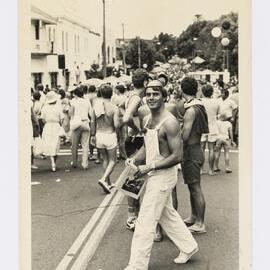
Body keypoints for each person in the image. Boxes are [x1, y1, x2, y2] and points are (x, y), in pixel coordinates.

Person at [124, 80, 198, 270]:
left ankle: (136, 266)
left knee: (145, 221)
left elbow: (177, 156)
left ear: (164, 97)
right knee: (167, 214)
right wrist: (135, 159)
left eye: (155, 94)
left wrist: (150, 166)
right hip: (153, 172)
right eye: (148, 94)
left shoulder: (170, 123)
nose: (151, 98)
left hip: (164, 175)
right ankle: (189, 247)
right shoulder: (147, 119)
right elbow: (147, 145)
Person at [120, 68, 149, 230]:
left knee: (135, 178)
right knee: (134, 179)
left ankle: (134, 215)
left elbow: (120, 109)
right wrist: (137, 128)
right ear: (145, 82)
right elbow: (126, 117)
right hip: (136, 140)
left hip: (132, 140)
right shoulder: (137, 97)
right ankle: (132, 217)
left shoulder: (131, 95)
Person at [180, 77, 209, 234]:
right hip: (195, 149)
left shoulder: (191, 110)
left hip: (191, 151)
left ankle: (200, 223)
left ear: (181, 89)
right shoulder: (198, 105)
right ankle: (193, 217)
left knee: (195, 188)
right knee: (192, 187)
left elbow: (184, 136)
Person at [92, 84, 120, 193]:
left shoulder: (96, 106)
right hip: (110, 134)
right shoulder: (114, 108)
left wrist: (93, 135)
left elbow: (93, 121)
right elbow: (117, 125)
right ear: (111, 94)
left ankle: (108, 183)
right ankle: (104, 179)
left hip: (99, 135)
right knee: (113, 160)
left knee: (105, 159)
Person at [70, 86, 95, 170]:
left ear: (75, 94)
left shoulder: (73, 102)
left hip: (76, 124)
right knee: (85, 145)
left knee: (74, 145)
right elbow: (91, 114)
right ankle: (85, 164)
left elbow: (71, 114)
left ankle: (74, 162)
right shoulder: (87, 101)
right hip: (85, 123)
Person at [41, 91, 64, 172]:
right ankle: (54, 162)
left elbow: (43, 119)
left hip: (47, 126)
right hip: (56, 126)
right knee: (55, 144)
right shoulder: (58, 107)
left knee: (49, 144)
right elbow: (62, 119)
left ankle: (52, 162)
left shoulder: (44, 108)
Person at [200, 84, 220, 175]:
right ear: (211, 92)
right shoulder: (216, 102)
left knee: (202, 149)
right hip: (212, 127)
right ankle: (211, 170)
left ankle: (201, 169)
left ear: (203, 92)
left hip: (202, 127)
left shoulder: (200, 102)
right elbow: (218, 114)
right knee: (212, 149)